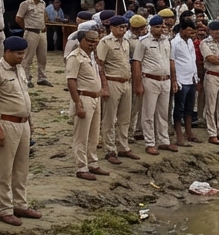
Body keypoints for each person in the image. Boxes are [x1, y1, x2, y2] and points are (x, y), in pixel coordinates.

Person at [0, 36, 41, 226]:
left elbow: (24, 96)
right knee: (4, 169)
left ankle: (20, 205)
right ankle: (5, 209)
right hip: (6, 122)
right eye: (17, 53)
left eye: (23, 53)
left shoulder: (20, 69)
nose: (21, 57)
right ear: (6, 52)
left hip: (23, 123)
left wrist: (30, 123)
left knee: (22, 167)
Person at [66, 29, 109, 180]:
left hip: (95, 98)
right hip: (84, 97)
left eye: (95, 42)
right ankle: (81, 166)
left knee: (94, 134)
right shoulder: (75, 57)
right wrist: (78, 103)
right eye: (89, 41)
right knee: (81, 135)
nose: (92, 45)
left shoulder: (92, 56)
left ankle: (93, 163)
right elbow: (71, 81)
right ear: (81, 40)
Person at [96, 16, 138, 164]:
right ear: (111, 27)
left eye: (124, 27)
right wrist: (104, 86)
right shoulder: (105, 42)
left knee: (124, 118)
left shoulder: (126, 42)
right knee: (109, 118)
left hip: (126, 82)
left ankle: (123, 146)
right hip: (112, 80)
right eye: (120, 27)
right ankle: (109, 149)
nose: (122, 29)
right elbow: (99, 64)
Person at [133, 15, 176, 155]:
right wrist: (138, 84)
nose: (160, 29)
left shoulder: (167, 41)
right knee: (148, 113)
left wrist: (174, 80)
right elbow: (137, 63)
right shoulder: (143, 42)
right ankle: (150, 142)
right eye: (157, 27)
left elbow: (171, 61)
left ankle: (164, 141)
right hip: (150, 79)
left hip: (165, 79)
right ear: (151, 28)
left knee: (163, 112)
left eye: (161, 26)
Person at [171, 21, 200, 146]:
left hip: (191, 79)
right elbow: (172, 62)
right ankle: (179, 136)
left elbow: (192, 61)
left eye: (193, 31)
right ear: (181, 30)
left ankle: (189, 133)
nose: (191, 33)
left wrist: (195, 77)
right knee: (179, 108)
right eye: (189, 30)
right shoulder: (174, 43)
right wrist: (174, 80)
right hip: (181, 80)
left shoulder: (190, 42)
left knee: (189, 108)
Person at [16, 0, 51, 85]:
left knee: (43, 56)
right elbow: (19, 18)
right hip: (31, 32)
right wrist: (26, 28)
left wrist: (44, 23)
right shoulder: (26, 4)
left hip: (41, 32)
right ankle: (25, 78)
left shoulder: (42, 3)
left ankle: (42, 78)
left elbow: (44, 14)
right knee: (28, 57)